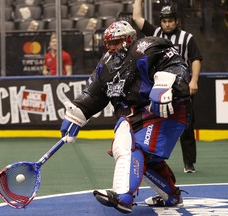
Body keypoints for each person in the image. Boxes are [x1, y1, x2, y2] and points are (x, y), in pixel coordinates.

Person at [60, 20, 190, 213]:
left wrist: (167, 83)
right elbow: (94, 94)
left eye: (116, 42)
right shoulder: (105, 64)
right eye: (109, 43)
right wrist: (77, 113)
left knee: (130, 147)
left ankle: (123, 196)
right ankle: (170, 195)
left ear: (129, 39)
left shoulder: (145, 48)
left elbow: (176, 63)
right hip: (134, 115)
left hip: (164, 109)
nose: (111, 47)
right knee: (139, 154)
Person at [133, 0, 203, 173]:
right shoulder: (155, 33)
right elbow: (136, 17)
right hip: (158, 87)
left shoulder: (187, 38)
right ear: (160, 22)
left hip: (181, 87)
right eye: (164, 21)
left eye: (170, 20)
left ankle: (189, 163)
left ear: (176, 21)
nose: (167, 24)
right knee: (153, 120)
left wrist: (194, 80)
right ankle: (152, 159)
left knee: (186, 125)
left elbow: (195, 58)